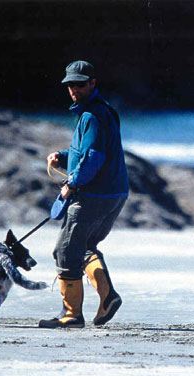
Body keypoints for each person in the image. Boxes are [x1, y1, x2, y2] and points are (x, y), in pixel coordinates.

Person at [39, 60, 129, 329]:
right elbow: (91, 153)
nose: (74, 89)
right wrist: (64, 157)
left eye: (79, 84)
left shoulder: (91, 115)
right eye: (70, 84)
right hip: (115, 193)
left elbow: (93, 158)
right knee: (85, 246)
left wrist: (72, 184)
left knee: (65, 252)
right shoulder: (103, 111)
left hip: (94, 196)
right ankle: (107, 298)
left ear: (93, 83)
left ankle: (72, 315)